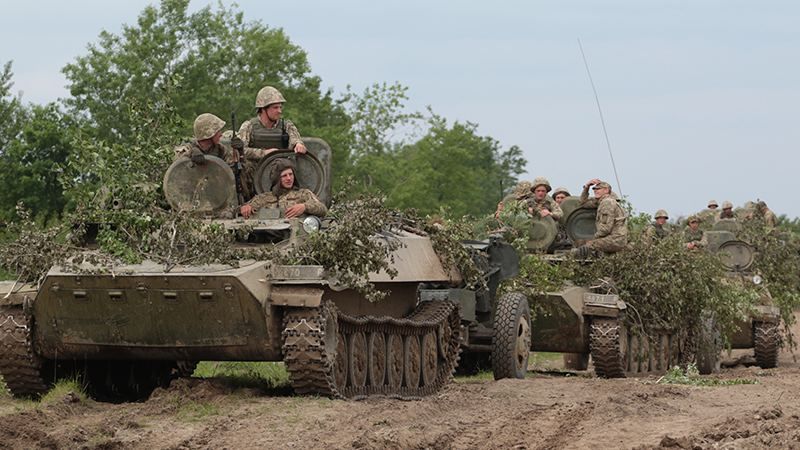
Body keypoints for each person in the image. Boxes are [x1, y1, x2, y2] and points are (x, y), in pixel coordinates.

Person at [174, 113, 255, 202]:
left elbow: (236, 171)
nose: (220, 134)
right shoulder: (189, 148)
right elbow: (176, 167)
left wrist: (240, 153)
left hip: (217, 197)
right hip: (192, 198)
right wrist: (191, 153)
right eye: (217, 131)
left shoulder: (221, 150)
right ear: (208, 134)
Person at [240, 158, 327, 219]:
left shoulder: (304, 194)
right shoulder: (263, 198)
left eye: (291, 174)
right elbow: (236, 211)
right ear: (277, 179)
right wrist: (245, 208)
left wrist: (304, 207)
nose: (289, 178)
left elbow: (322, 209)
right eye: (284, 176)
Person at [237, 86, 307, 161]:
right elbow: (239, 151)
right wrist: (264, 153)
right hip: (255, 169)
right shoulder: (248, 126)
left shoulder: (286, 126)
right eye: (275, 107)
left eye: (280, 107)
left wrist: (299, 145)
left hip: (281, 168)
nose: (279, 111)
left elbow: (295, 140)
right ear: (263, 109)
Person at [574, 179, 628, 254]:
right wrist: (586, 187)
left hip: (615, 240)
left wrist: (593, 239)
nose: (595, 191)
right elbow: (582, 202)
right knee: (581, 242)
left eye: (598, 189)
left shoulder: (607, 202)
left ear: (606, 190)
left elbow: (605, 228)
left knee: (582, 249)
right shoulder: (601, 201)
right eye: (594, 189)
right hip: (613, 238)